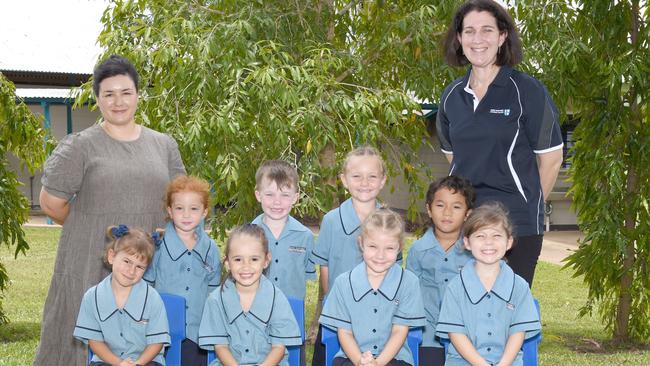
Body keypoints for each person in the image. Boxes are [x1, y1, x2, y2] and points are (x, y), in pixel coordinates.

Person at [36, 54, 186, 365]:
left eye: (126, 92)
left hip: (149, 265)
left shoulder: (163, 145)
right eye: (109, 94)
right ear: (97, 99)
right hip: (91, 261)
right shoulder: (80, 146)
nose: (118, 101)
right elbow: (51, 203)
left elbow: (181, 201)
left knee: (146, 341)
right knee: (85, 341)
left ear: (138, 95)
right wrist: (92, 228)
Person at [436, 0, 563, 287]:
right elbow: (453, 159)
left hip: (516, 224)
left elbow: (551, 159)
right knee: (465, 311)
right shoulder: (451, 97)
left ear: (502, 36)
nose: (477, 39)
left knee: (507, 313)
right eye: (469, 31)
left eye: (486, 30)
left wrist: (529, 204)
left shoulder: (527, 91)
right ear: (459, 38)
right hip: (466, 223)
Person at [310, 146, 389, 366]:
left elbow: (393, 268)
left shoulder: (389, 221)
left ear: (382, 180)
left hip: (377, 314)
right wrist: (334, 302)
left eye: (372, 176)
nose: (365, 183)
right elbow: (324, 269)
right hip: (337, 314)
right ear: (344, 179)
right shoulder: (332, 221)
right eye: (357, 176)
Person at [436, 203, 541, 366]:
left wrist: (503, 364)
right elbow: (455, 333)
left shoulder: (519, 286)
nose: (488, 242)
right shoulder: (456, 287)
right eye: (480, 236)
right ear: (467, 242)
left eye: (496, 236)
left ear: (509, 242)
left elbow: (518, 332)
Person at [319, 208, 425, 366]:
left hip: (394, 358)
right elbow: (345, 332)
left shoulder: (409, 282)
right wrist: (360, 362)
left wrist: (378, 363)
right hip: (351, 357)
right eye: (373, 246)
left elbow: (399, 331)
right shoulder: (343, 283)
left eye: (389, 248)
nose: (380, 255)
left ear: (400, 247)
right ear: (361, 243)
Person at [198, 224, 302, 366]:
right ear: (227, 262)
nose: (246, 266)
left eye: (254, 259)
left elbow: (278, 347)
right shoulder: (215, 300)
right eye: (238, 259)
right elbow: (220, 346)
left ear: (266, 260)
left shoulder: (277, 299)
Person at [143, 175, 221, 365]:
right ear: (170, 211)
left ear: (204, 212)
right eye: (179, 208)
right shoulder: (157, 246)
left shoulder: (210, 248)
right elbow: (145, 286)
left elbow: (214, 289)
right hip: (162, 332)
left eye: (194, 209)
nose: (186, 215)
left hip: (198, 333)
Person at [74, 225, 170, 366]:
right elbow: (94, 341)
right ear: (112, 256)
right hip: (106, 361)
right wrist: (118, 363)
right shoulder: (92, 297)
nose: (131, 271)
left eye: (139, 267)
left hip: (147, 361)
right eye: (127, 261)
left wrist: (138, 364)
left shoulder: (152, 298)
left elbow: (157, 342)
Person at [406, 176, 475, 365]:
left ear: (468, 213)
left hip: (467, 335)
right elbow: (409, 294)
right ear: (429, 209)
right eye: (440, 205)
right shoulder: (418, 250)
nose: (447, 213)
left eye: (456, 207)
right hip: (428, 337)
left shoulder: (475, 251)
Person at [251, 160, 316, 299]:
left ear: (295, 198)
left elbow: (306, 274)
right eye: (270, 194)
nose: (277, 202)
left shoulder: (305, 237)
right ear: (258, 195)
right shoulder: (247, 236)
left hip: (292, 312)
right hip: (255, 310)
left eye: (285, 195)